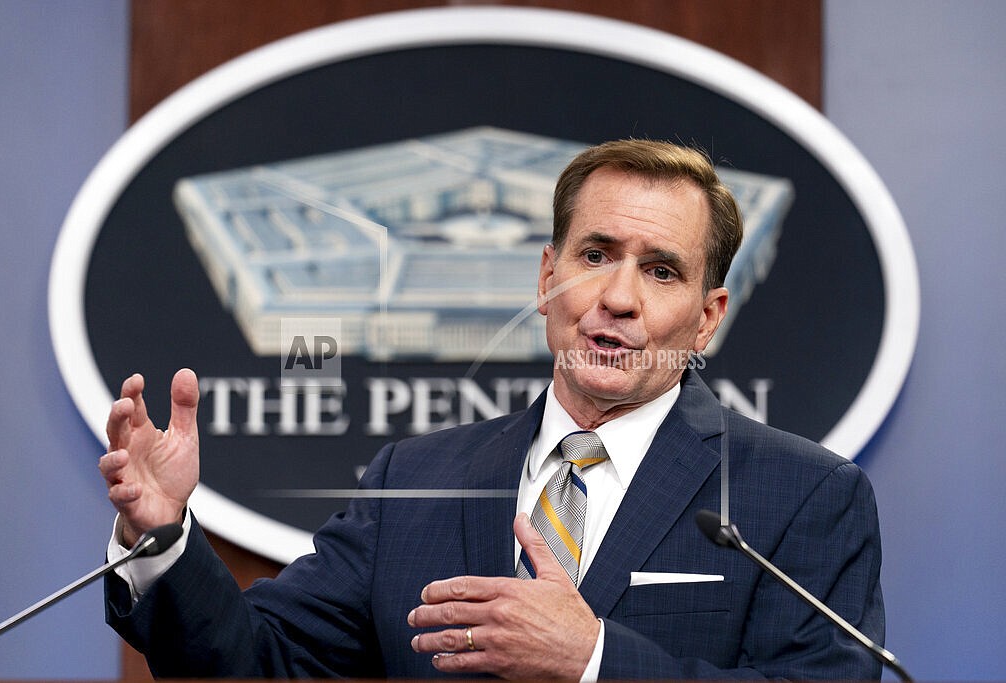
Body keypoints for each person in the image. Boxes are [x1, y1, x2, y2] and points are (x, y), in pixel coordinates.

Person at [99, 139, 885, 679]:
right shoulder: (417, 479)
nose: (617, 297)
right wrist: (162, 533)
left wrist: (594, 659)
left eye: (661, 270)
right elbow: (253, 662)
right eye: (595, 255)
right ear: (547, 275)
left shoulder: (800, 494)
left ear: (709, 315)